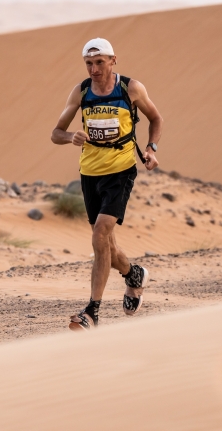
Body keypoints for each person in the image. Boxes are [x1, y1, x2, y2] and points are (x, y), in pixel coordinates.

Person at [50, 38, 164, 330]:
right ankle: (134, 275)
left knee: (100, 233)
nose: (94, 69)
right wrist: (70, 137)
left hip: (121, 171)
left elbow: (155, 118)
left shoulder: (130, 89)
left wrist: (151, 149)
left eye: (99, 62)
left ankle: (92, 312)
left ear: (113, 60)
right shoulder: (81, 91)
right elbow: (56, 133)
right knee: (106, 245)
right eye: (89, 63)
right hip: (90, 173)